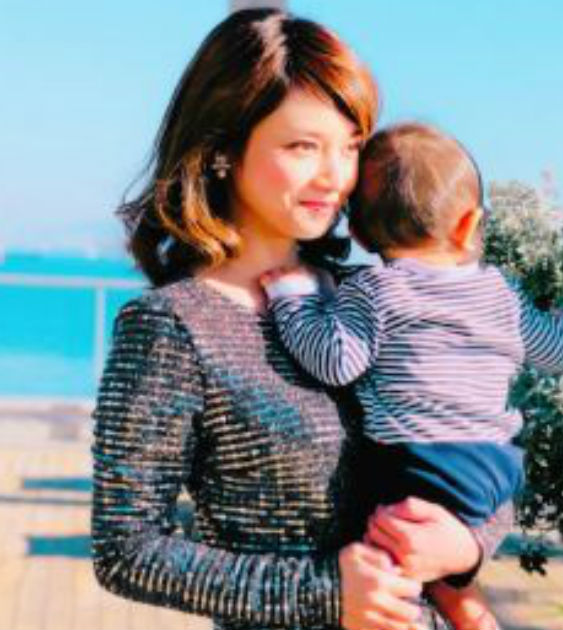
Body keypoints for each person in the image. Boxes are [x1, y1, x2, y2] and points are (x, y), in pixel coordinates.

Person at [91, 9, 507, 630]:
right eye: (302, 146)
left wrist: (468, 545)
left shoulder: (373, 295)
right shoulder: (172, 327)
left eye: (350, 146)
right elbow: (126, 549)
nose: (336, 177)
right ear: (223, 148)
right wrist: (326, 592)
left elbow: (482, 442)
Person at [259, 123, 563, 630]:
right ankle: (471, 616)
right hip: (492, 470)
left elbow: (335, 360)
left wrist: (292, 298)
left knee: (390, 562)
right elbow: (558, 348)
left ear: (358, 235)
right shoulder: (500, 292)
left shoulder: (376, 290)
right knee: (431, 558)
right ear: (469, 224)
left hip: (413, 464)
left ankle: (437, 611)